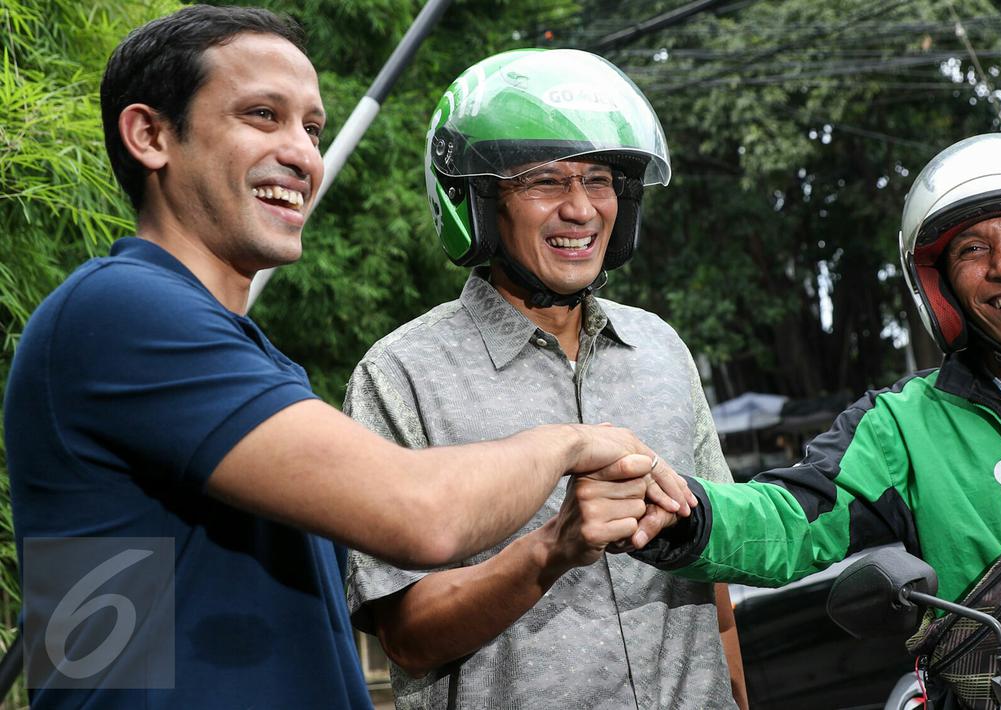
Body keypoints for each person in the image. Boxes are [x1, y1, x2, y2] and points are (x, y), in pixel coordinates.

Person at [3, 8, 693, 709]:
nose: (303, 154)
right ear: (150, 135)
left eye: (311, 128)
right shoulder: (118, 313)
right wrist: (574, 440)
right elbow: (421, 513)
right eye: (262, 115)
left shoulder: (235, 354)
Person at [630, 133, 1001, 706]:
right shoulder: (902, 427)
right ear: (939, 287)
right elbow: (792, 522)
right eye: (973, 249)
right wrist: (682, 514)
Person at [344, 49, 746, 709]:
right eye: (543, 182)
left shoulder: (660, 349)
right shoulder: (402, 376)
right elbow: (408, 636)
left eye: (599, 179)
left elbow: (717, 587)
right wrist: (550, 549)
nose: (581, 209)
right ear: (476, 199)